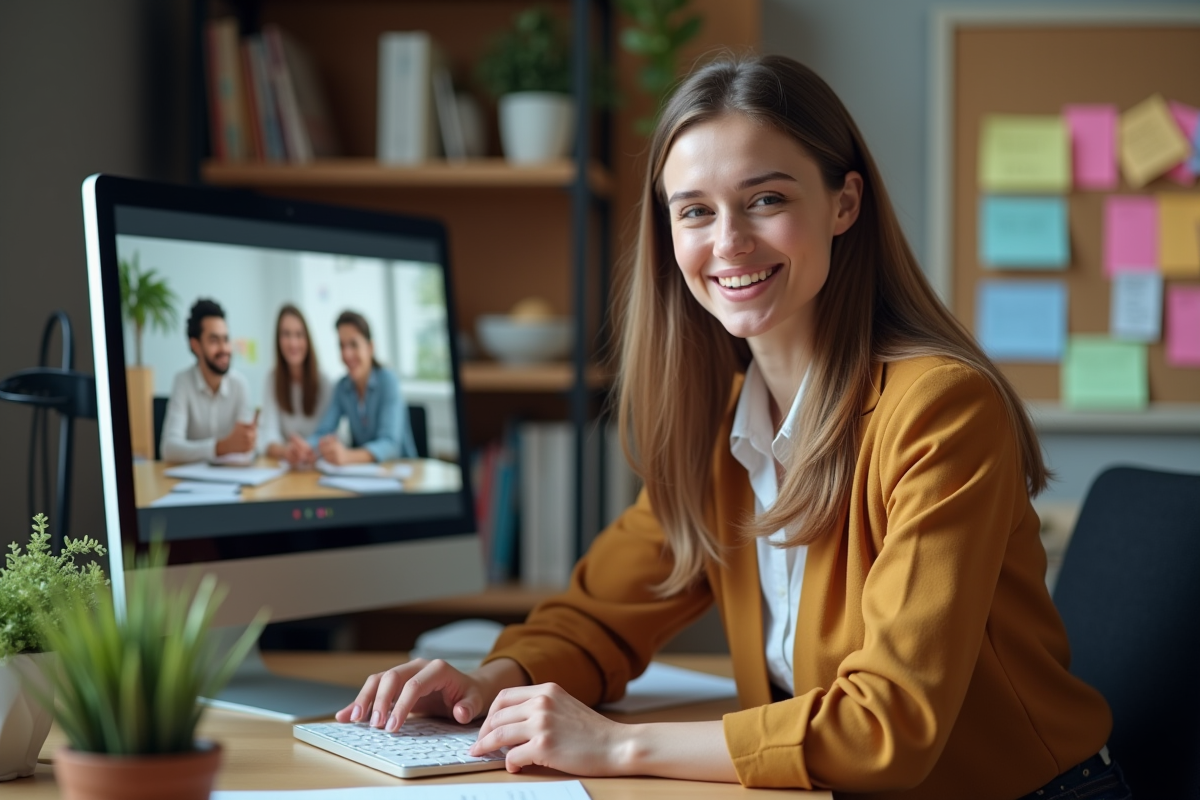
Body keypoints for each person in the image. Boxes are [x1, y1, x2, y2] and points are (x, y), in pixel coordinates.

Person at [335, 55, 1128, 800]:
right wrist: (495, 682)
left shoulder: (940, 409)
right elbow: (604, 612)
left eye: (767, 199)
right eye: (695, 211)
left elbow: (889, 724)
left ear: (844, 203)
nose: (729, 243)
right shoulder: (724, 425)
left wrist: (615, 745)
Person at [308, 310, 416, 465]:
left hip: (399, 472)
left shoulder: (388, 381)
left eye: (353, 344)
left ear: (370, 347)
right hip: (364, 475)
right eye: (342, 346)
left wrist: (347, 456)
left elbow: (390, 444)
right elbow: (324, 431)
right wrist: (306, 447)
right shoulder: (342, 387)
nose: (346, 354)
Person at [161, 298, 256, 463]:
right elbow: (169, 448)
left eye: (226, 339)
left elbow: (246, 449)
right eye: (214, 341)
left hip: (231, 479)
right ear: (195, 345)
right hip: (190, 483)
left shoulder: (240, 385)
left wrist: (249, 442)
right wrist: (221, 447)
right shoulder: (183, 382)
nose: (224, 349)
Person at [259, 304, 332, 467]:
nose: (293, 343)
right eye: (286, 334)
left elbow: (331, 434)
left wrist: (309, 449)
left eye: (299, 335)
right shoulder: (272, 380)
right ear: (278, 340)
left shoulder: (324, 382)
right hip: (288, 468)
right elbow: (268, 435)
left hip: (318, 467)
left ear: (307, 339)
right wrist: (287, 451)